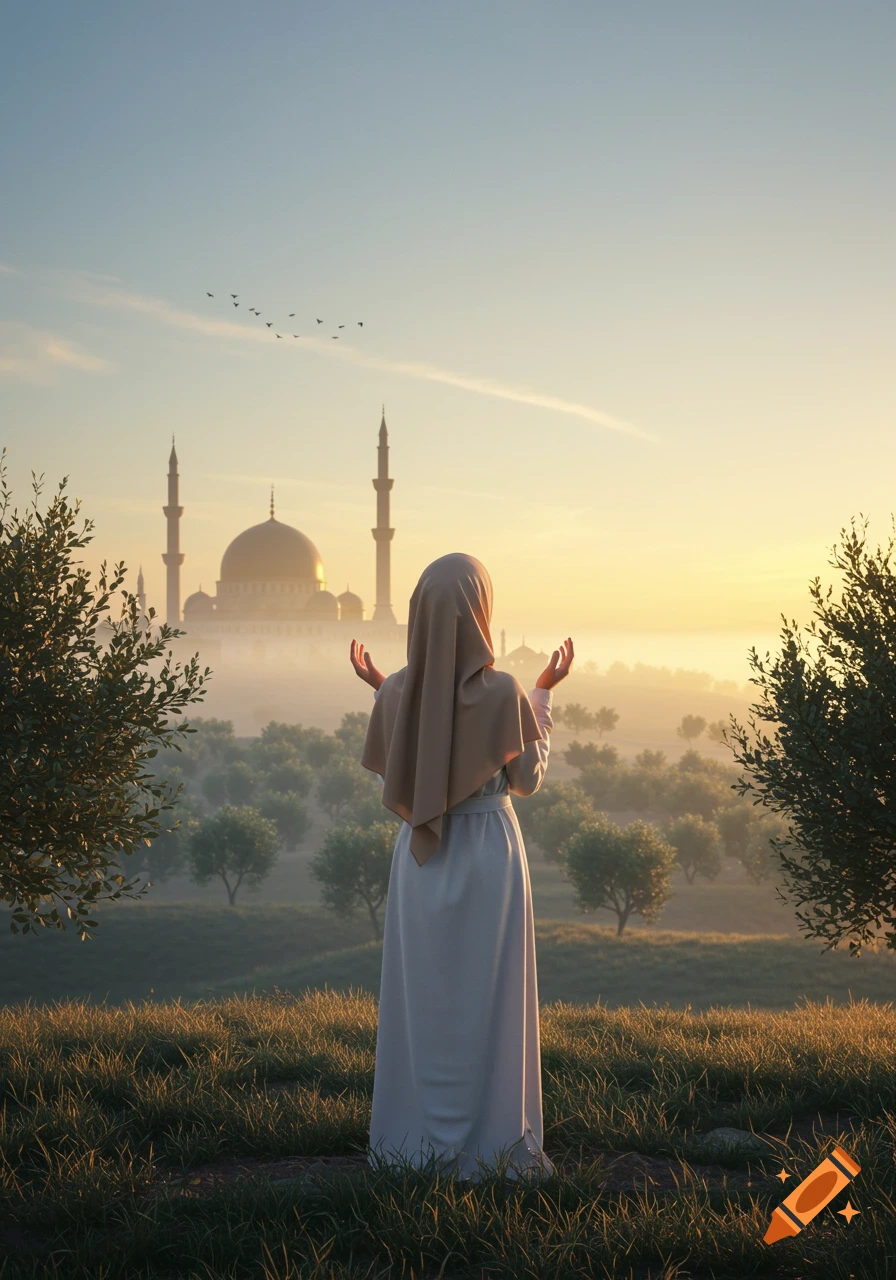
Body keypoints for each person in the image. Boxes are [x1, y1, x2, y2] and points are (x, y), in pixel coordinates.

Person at [350, 552, 573, 1184]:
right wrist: (543, 693)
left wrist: (382, 685)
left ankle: (412, 1140)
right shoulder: (503, 692)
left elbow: (418, 732)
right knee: (489, 994)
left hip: (421, 859)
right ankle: (492, 1142)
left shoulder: (398, 692)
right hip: (488, 856)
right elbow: (525, 779)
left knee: (425, 993)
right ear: (480, 611)